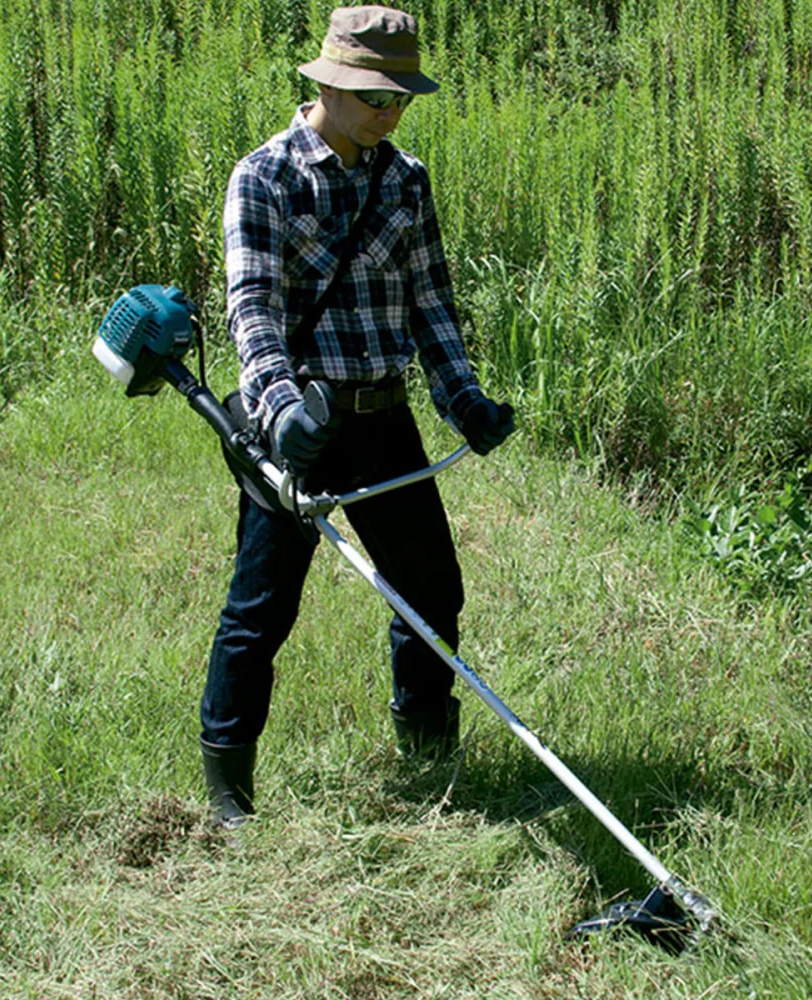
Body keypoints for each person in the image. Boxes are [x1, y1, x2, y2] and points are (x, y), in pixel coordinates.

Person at [200, 5, 515, 828]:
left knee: (431, 594)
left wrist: (464, 398)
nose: (391, 111)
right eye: (377, 97)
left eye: (401, 98)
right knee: (261, 611)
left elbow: (431, 305)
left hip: (385, 420)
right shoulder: (263, 178)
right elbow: (253, 311)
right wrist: (279, 412)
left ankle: (429, 755)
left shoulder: (405, 179)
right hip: (301, 423)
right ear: (330, 83)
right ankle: (230, 798)